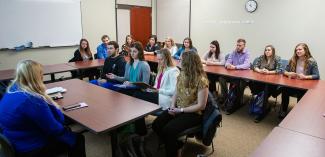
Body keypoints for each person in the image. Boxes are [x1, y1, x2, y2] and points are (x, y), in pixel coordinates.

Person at [0, 60, 86, 157]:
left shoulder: (11, 90)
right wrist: (51, 102)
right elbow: (56, 127)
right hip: (30, 148)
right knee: (78, 139)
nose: (42, 76)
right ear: (36, 77)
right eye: (41, 74)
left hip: (12, 138)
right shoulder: (33, 100)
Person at [152, 51, 209, 157]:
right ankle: (176, 144)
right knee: (156, 124)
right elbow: (176, 91)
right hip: (178, 107)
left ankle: (172, 150)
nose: (179, 61)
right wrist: (172, 106)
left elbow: (201, 105)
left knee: (169, 130)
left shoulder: (202, 80)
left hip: (193, 113)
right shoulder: (182, 73)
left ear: (189, 63)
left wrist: (181, 110)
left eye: (181, 60)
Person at [279, 43, 320, 118]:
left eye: (300, 49)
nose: (298, 51)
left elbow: (317, 76)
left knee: (301, 93)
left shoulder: (311, 61)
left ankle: (298, 113)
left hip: (304, 86)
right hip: (293, 84)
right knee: (284, 90)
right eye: (296, 50)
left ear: (305, 50)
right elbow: (283, 71)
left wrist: (305, 77)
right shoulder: (293, 59)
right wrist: (289, 73)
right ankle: (284, 110)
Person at [249, 45, 282, 122]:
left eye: (269, 50)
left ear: (273, 51)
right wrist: (259, 70)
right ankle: (262, 103)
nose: (267, 51)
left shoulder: (277, 58)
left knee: (266, 90)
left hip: (271, 82)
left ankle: (260, 108)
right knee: (250, 82)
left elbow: (280, 70)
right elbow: (254, 66)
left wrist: (269, 72)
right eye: (266, 50)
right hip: (260, 80)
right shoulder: (261, 57)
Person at [219, 38, 250, 114]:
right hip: (232, 73)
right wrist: (228, 65)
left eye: (240, 45)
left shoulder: (247, 53)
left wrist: (235, 67)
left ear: (244, 46)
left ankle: (236, 101)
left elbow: (247, 65)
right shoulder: (233, 52)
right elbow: (227, 61)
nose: (238, 47)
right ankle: (226, 97)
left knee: (237, 82)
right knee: (221, 78)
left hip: (242, 75)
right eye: (237, 45)